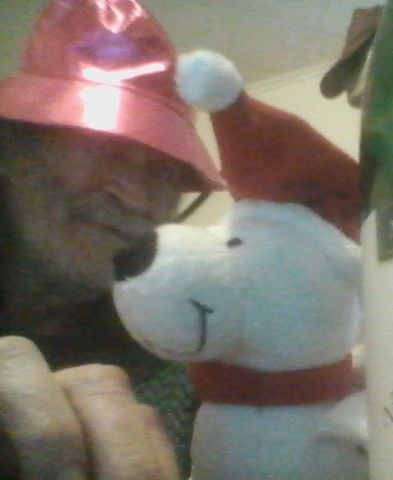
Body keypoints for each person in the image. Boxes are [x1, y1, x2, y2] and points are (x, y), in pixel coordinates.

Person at [0, 0, 225, 478]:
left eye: (165, 171)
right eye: (104, 145)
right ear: (12, 146)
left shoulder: (182, 362)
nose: (139, 199)